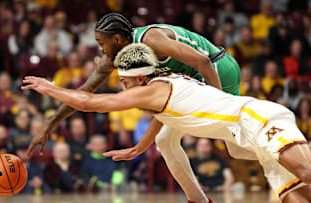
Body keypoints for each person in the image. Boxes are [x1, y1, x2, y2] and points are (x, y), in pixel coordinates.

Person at [23, 43, 311, 203]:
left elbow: (91, 102)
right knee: (297, 196)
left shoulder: (154, 90)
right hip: (247, 138)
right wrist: (138, 148)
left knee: (307, 172)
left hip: (259, 119)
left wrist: (50, 88)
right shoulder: (161, 94)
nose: (123, 87)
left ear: (139, 77)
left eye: (124, 81)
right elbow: (161, 124)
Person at [29, 12, 241, 171]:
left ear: (118, 40)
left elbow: (202, 61)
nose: (100, 49)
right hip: (189, 82)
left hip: (217, 69)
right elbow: (84, 91)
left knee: (234, 144)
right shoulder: (115, 59)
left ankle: (272, 144)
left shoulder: (151, 40)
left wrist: (218, 102)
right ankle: (199, 199)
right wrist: (49, 125)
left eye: (101, 43)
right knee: (165, 141)